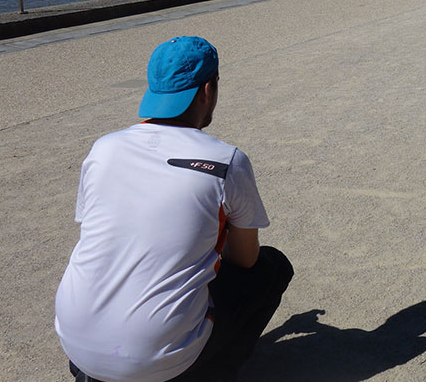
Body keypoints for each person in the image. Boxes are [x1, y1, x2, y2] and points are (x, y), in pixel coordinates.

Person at [55, 36, 293, 382]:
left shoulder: (104, 149)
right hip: (154, 359)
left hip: (77, 343)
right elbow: (244, 261)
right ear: (208, 90)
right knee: (271, 269)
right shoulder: (226, 162)